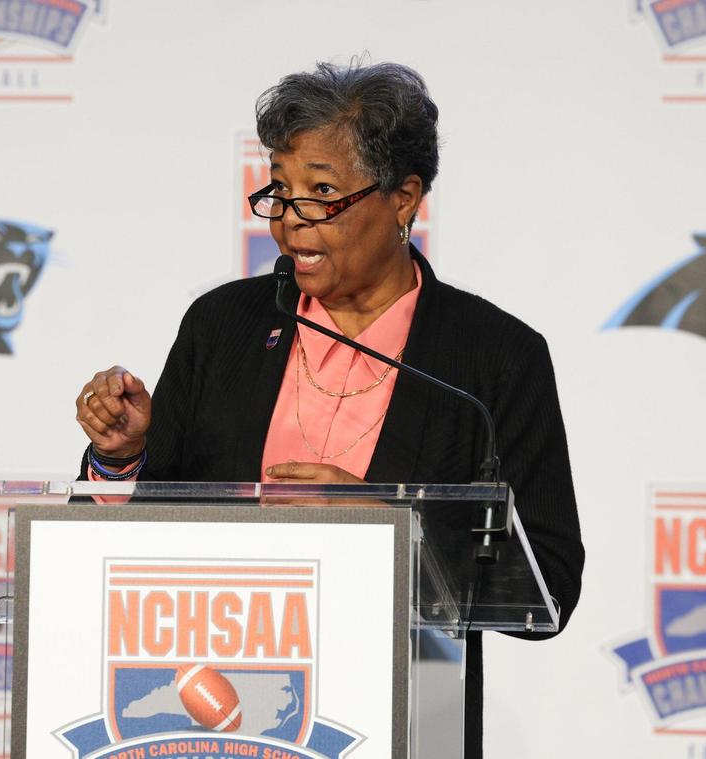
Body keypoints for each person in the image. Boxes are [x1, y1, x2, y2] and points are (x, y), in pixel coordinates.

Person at [75, 60, 583, 759]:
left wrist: (391, 531)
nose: (290, 221)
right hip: (219, 726)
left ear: (404, 197)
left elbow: (549, 585)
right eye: (281, 191)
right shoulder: (223, 326)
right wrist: (125, 456)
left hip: (399, 727)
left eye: (321, 193)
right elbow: (141, 536)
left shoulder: (493, 359)